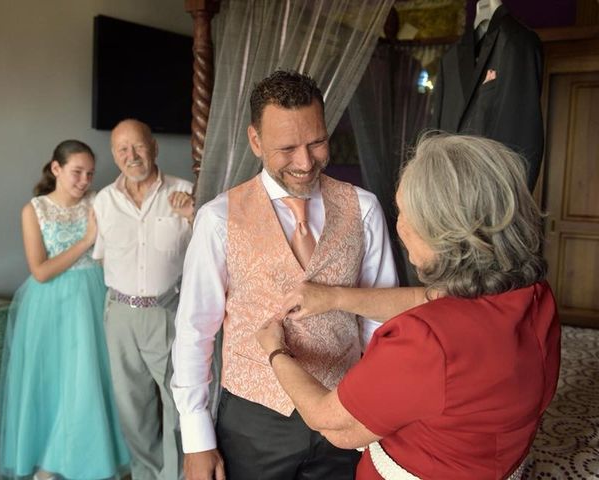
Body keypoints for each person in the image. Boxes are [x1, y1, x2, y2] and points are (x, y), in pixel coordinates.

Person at [257, 133, 561, 479]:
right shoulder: (535, 295)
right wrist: (336, 297)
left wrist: (276, 351)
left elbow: (330, 422)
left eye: (403, 213)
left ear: (443, 232)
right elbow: (429, 300)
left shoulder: (425, 339)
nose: (398, 227)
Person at [170, 69, 399, 480]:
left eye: (316, 142)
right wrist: (196, 439)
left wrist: (376, 409)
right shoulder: (218, 218)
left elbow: (380, 319)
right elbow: (195, 331)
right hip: (253, 423)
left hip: (345, 411)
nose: (305, 162)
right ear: (255, 140)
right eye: (287, 148)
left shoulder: (363, 208)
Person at [0, 140, 130, 480]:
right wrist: (86, 240)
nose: (84, 180)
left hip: (95, 297)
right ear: (56, 169)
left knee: (89, 382)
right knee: (55, 383)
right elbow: (40, 271)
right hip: (49, 305)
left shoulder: (98, 202)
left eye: (90, 173)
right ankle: (49, 463)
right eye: (77, 172)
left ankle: (87, 461)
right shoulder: (34, 209)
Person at [92, 119, 194, 480]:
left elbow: (211, 253)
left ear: (153, 146)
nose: (131, 155)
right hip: (119, 315)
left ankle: (176, 475)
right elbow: (103, 256)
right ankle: (146, 474)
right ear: (114, 155)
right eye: (122, 149)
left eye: (137, 146)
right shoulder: (103, 201)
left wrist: (193, 215)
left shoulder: (185, 192)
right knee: (132, 408)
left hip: (166, 312)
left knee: (178, 404)